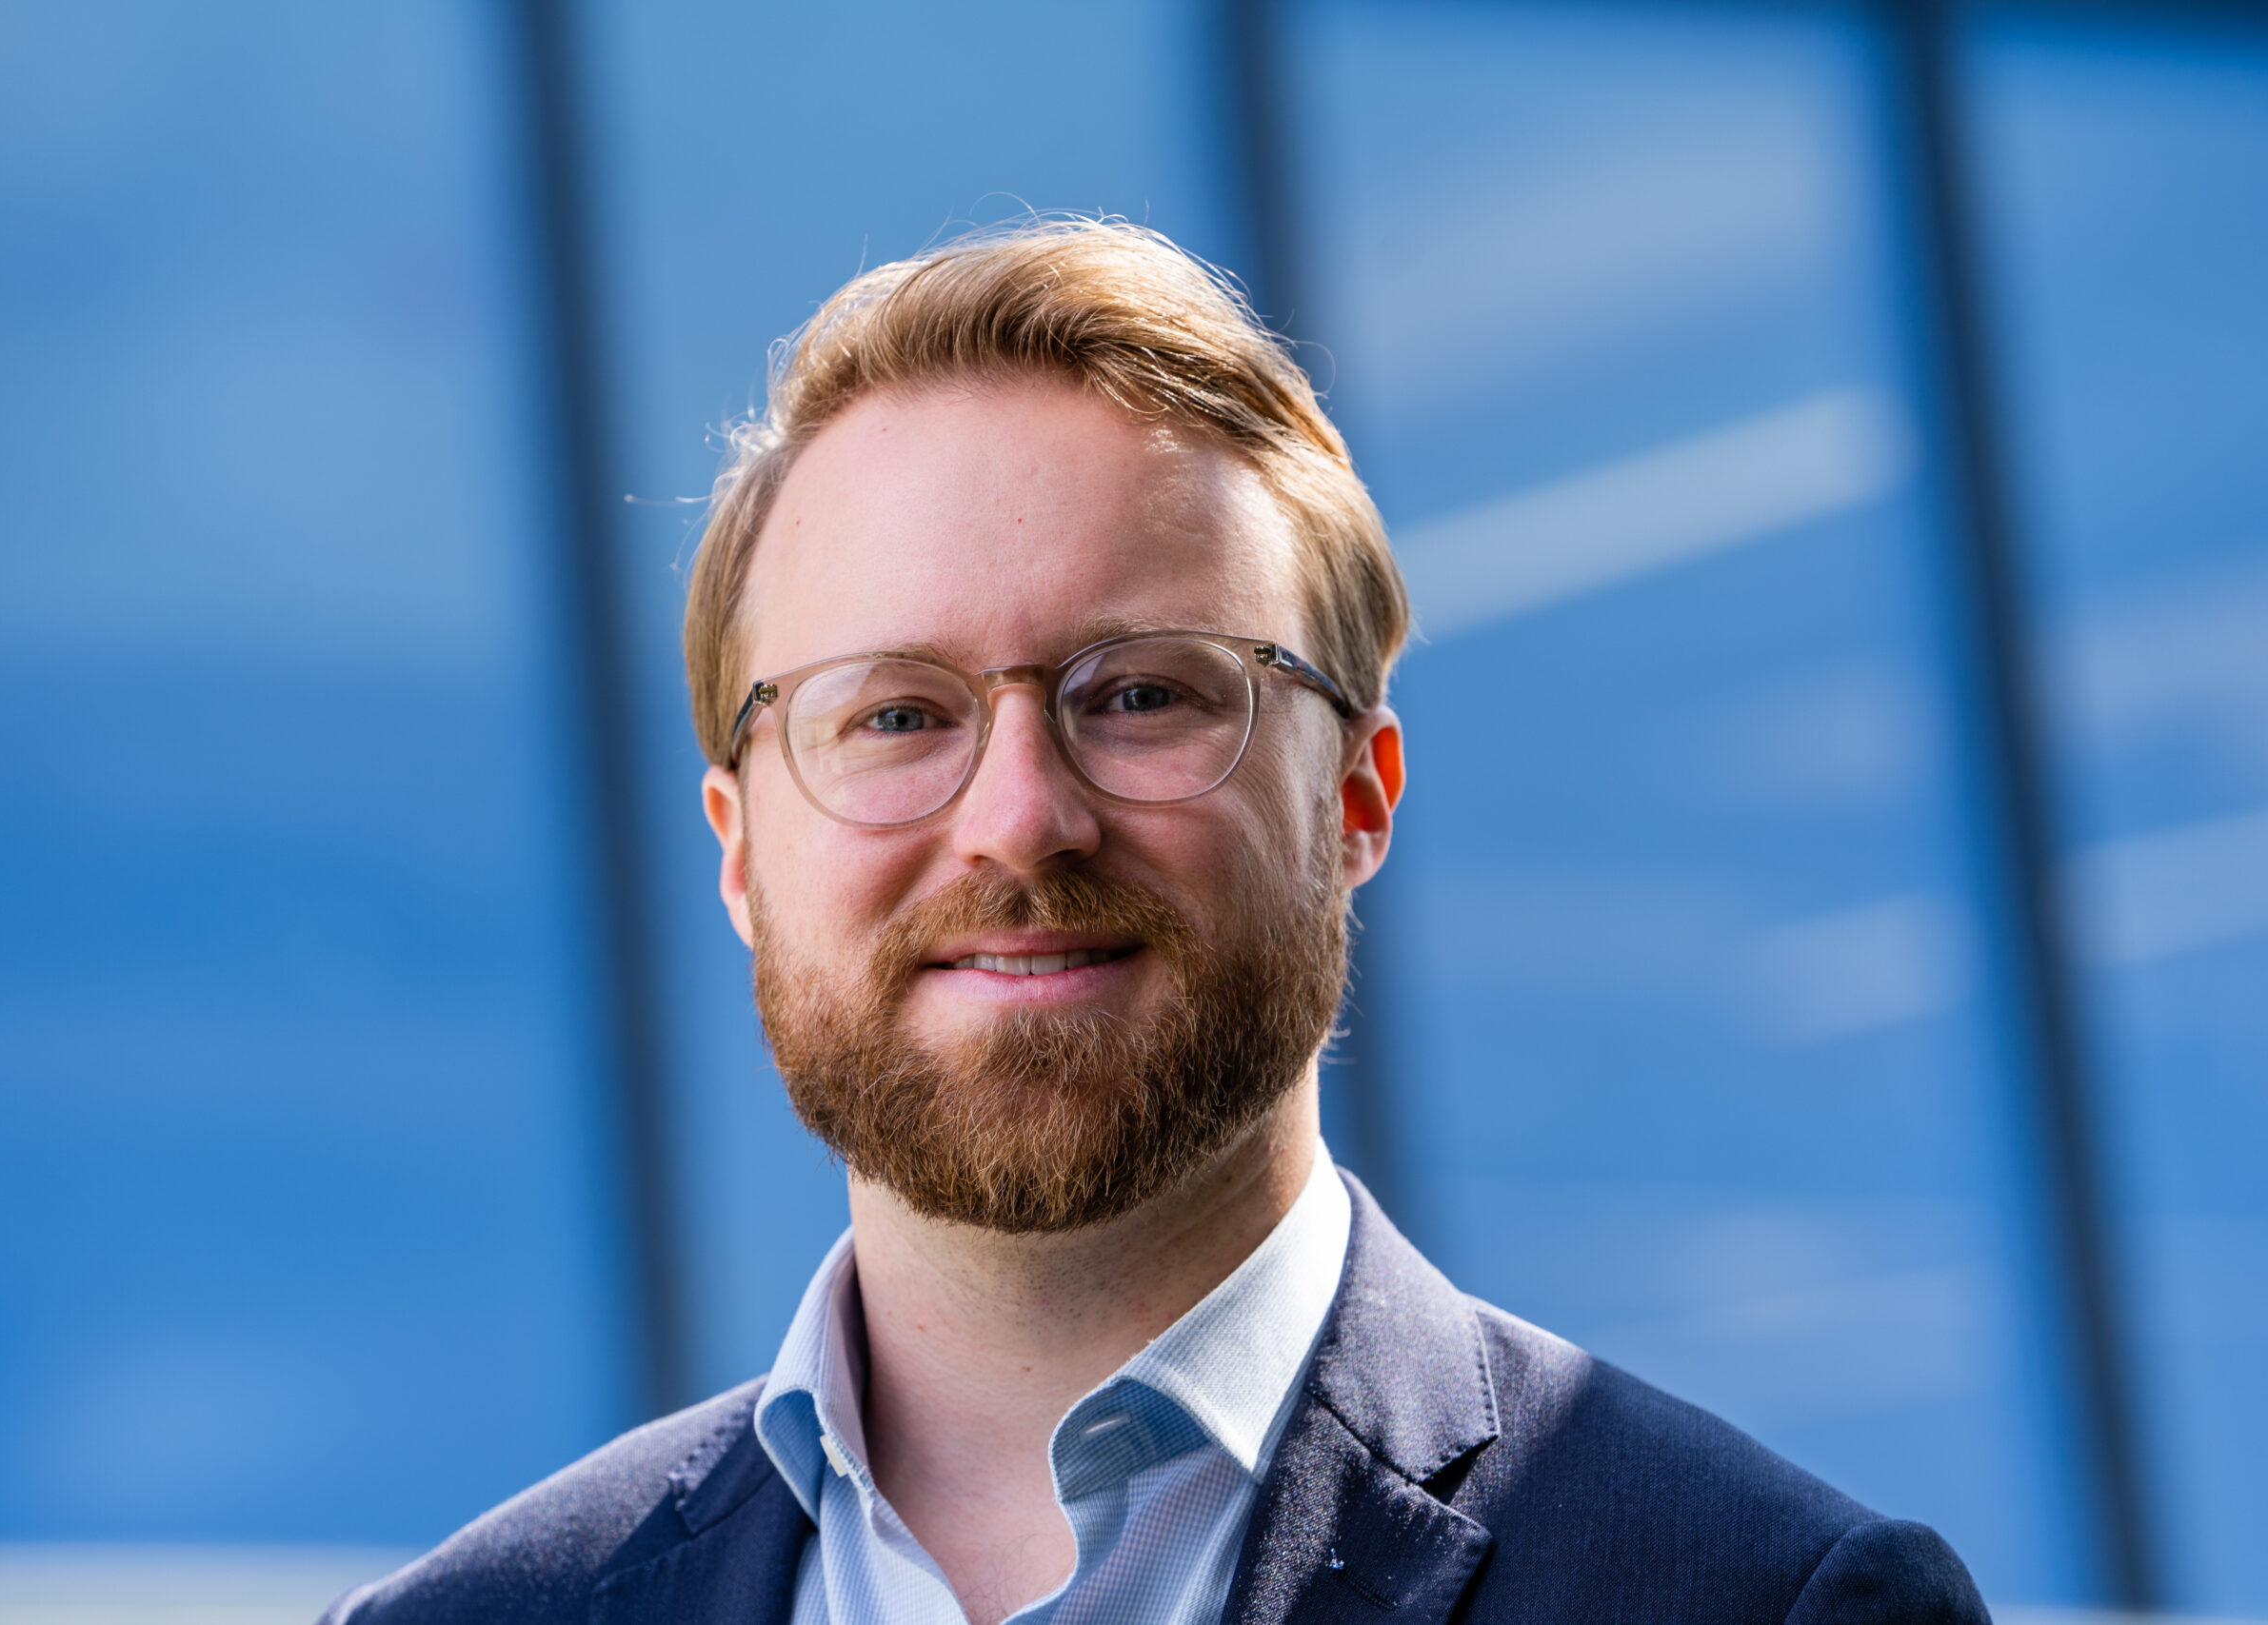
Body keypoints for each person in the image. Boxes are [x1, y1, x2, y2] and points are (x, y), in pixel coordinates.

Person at [324, 220, 1989, 1625]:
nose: (1019, 818)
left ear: (1357, 798)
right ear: (741, 851)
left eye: (1139, 696)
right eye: (896, 716)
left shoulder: (1768, 1604)